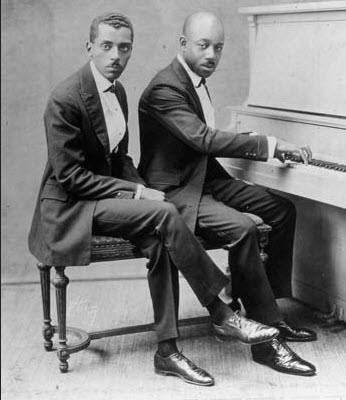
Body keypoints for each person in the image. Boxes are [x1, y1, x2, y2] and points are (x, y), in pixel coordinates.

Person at [28, 12, 281, 387]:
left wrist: (140, 184)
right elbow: (71, 177)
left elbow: (120, 159)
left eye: (125, 48)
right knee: (162, 214)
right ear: (89, 48)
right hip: (69, 208)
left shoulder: (117, 90)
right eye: (107, 46)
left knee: (158, 237)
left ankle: (167, 352)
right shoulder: (65, 99)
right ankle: (221, 310)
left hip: (101, 198)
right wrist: (136, 192)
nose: (116, 55)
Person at [138, 11, 318, 377]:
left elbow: (202, 143)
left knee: (281, 210)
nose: (212, 55)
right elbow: (203, 138)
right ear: (183, 43)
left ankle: (267, 308)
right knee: (243, 229)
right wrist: (265, 143)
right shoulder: (164, 88)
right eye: (203, 45)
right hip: (177, 188)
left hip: (205, 176)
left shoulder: (195, 78)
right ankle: (266, 338)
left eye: (218, 48)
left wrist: (256, 143)